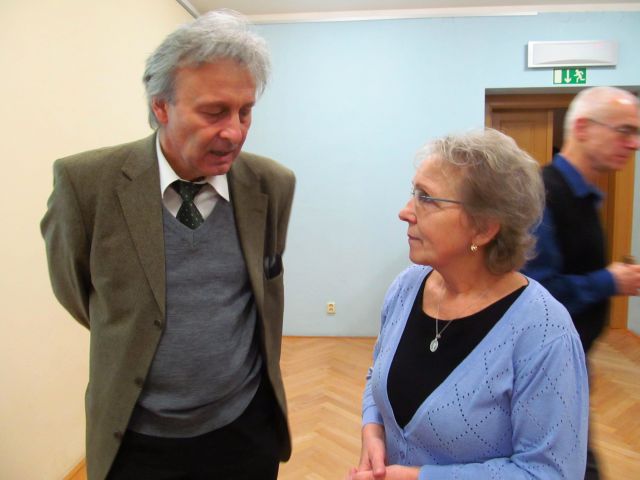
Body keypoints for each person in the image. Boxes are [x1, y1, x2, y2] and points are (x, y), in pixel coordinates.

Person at [41, 10, 295, 480]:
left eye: (245, 111)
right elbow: (82, 296)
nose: (235, 131)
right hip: (138, 442)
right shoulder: (86, 185)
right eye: (214, 112)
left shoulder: (272, 184)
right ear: (161, 106)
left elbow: (263, 293)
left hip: (244, 431)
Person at [347, 129, 589, 480]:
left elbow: (549, 473)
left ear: (483, 228)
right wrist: (373, 431)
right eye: (413, 193)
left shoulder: (545, 333)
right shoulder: (406, 288)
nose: (405, 212)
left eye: (427, 198)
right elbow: (377, 375)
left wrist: (418, 478)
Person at [522, 86, 640, 479]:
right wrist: (609, 281)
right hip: (543, 366)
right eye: (624, 131)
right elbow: (537, 294)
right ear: (584, 128)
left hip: (569, 358)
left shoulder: (584, 196)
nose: (634, 143)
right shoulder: (544, 194)